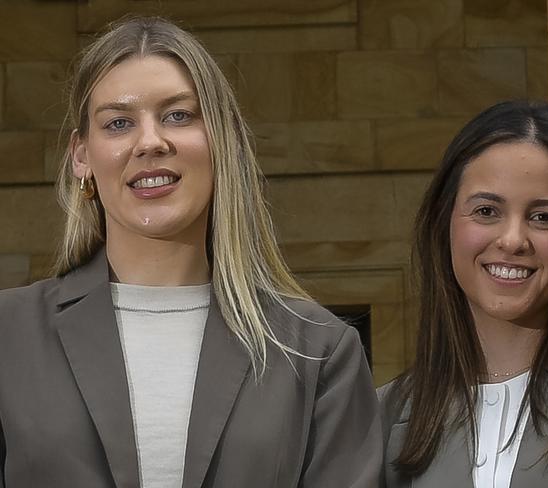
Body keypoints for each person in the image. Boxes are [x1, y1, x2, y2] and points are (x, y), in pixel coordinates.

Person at [0, 17, 381, 488]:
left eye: (178, 115)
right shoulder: (9, 335)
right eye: (118, 123)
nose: (150, 142)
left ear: (220, 139)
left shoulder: (317, 349)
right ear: (82, 156)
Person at [379, 100, 548, 488]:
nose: (512, 240)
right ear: (444, 223)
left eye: (544, 217)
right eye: (487, 211)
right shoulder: (384, 416)